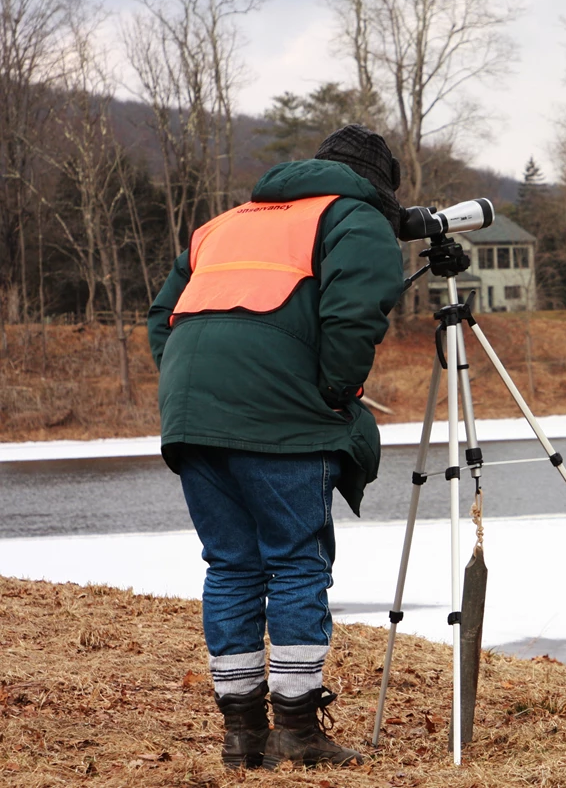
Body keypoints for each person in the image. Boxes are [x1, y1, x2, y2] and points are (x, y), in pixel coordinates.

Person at [147, 125, 406, 770]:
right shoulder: (355, 216)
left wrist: (195, 390)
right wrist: (333, 392)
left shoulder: (224, 223)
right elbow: (356, 312)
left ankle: (242, 736)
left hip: (191, 411)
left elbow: (162, 319)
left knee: (231, 564)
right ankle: (297, 728)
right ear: (378, 188)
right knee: (295, 561)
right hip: (283, 417)